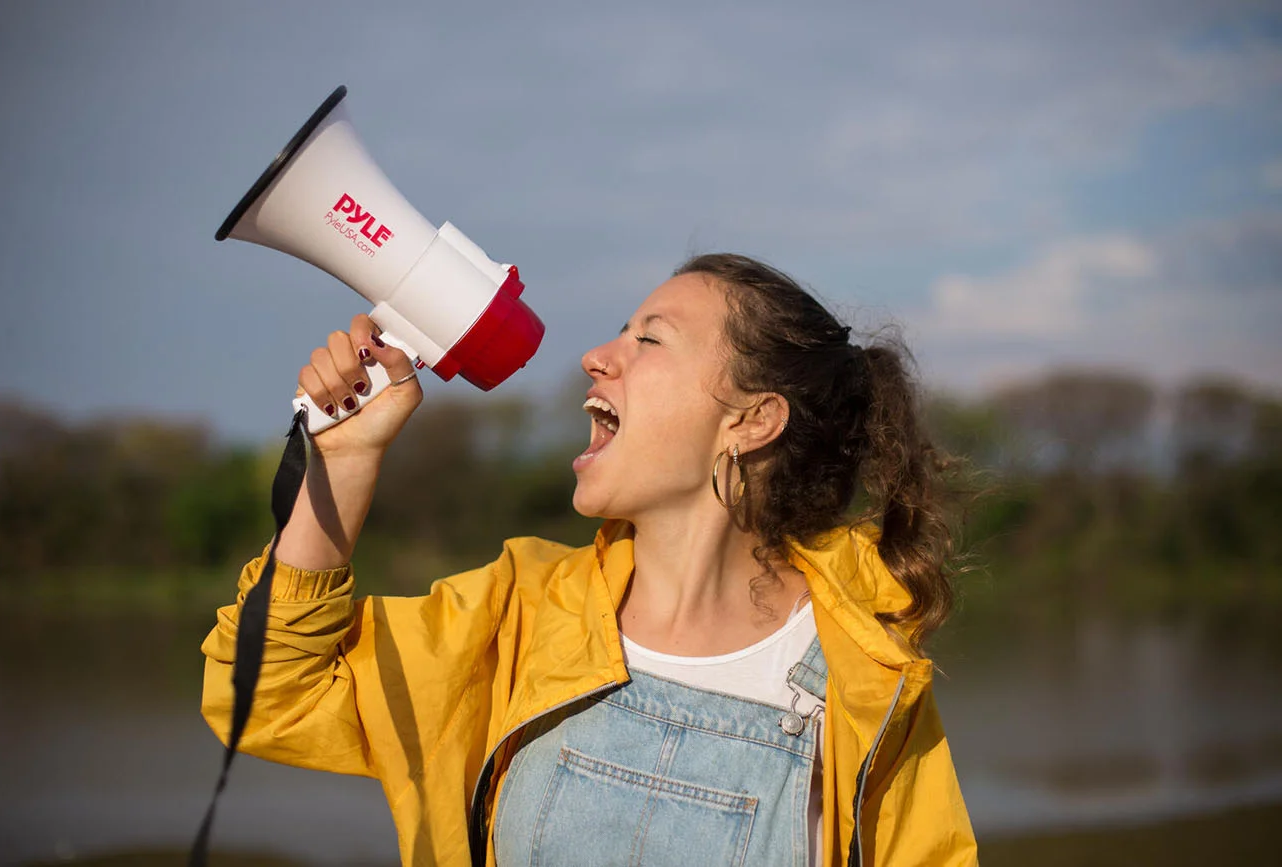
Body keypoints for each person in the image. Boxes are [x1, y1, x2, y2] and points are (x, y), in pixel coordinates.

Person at [201, 253, 979, 866]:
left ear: (753, 419)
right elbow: (267, 696)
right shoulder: (516, 616)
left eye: (648, 337)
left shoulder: (864, 673)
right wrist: (344, 465)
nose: (594, 357)